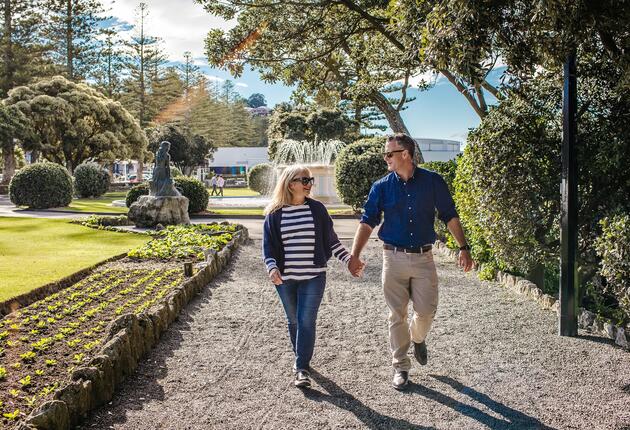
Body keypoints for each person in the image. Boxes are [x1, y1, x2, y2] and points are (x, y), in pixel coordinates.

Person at [348, 133, 472, 390]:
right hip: (392, 257)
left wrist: (464, 247)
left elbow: (449, 215)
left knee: (426, 311)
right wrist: (355, 255)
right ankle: (401, 367)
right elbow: (368, 221)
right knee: (396, 315)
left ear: (405, 154)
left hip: (424, 257)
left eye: (389, 154)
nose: (386, 158)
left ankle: (417, 337)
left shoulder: (433, 181)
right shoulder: (381, 186)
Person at [262, 165, 364, 388]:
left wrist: (349, 260)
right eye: (304, 180)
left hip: (314, 277)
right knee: (294, 321)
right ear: (291, 184)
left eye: (311, 180)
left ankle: (301, 368)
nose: (309, 184)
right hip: (285, 279)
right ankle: (301, 356)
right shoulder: (274, 214)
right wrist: (272, 268)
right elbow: (268, 248)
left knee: (306, 321)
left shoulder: (317, 209)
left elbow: (332, 242)